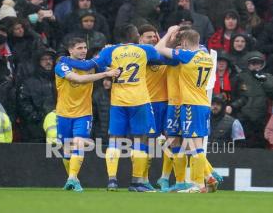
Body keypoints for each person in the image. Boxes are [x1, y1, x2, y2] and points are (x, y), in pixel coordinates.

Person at [60, 25, 160, 192]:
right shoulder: (146, 49)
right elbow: (159, 58)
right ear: (135, 36)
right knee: (140, 141)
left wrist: (65, 60)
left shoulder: (110, 51)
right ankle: (136, 182)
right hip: (139, 100)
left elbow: (87, 66)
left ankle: (112, 181)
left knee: (114, 140)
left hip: (118, 102)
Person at [55, 37, 120, 192]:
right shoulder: (61, 65)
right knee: (66, 150)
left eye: (84, 47)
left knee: (78, 142)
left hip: (84, 113)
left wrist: (109, 51)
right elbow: (77, 79)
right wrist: (105, 74)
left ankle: (72, 178)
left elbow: (113, 67)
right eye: (79, 48)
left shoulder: (91, 64)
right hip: (63, 113)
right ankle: (73, 178)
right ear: (71, 50)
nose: (83, 50)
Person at [155, 26, 215, 193]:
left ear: (186, 42)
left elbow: (158, 49)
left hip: (190, 104)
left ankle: (198, 184)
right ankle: (204, 181)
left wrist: (168, 33)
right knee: (197, 144)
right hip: (203, 103)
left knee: (194, 145)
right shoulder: (206, 56)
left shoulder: (187, 56)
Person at [137, 24, 169, 191]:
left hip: (168, 102)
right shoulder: (141, 53)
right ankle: (143, 179)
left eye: (154, 36)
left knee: (173, 139)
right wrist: (168, 33)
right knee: (147, 143)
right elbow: (154, 53)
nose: (153, 39)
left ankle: (164, 178)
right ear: (140, 39)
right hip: (148, 103)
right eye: (148, 36)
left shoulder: (163, 51)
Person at [230, 51, 273, 148]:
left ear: (263, 64)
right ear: (248, 64)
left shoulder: (268, 77)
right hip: (244, 118)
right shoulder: (240, 77)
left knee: (259, 146)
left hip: (261, 118)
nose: (256, 66)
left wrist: (264, 80)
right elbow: (234, 95)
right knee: (242, 145)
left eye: (259, 63)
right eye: (253, 63)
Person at [17, 48, 56, 142]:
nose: (48, 62)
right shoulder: (29, 82)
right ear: (38, 62)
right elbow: (23, 103)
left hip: (58, 126)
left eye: (50, 59)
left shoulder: (61, 80)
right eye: (44, 59)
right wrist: (36, 117)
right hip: (36, 130)